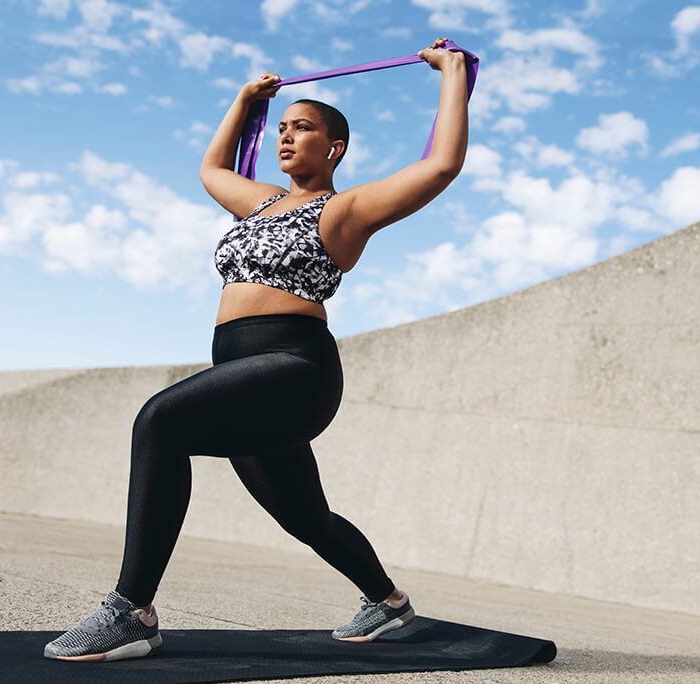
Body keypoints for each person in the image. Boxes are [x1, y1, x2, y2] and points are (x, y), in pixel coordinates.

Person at [44, 37, 468, 662]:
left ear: (335, 147)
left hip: (296, 370)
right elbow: (212, 172)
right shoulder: (264, 203)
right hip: (243, 371)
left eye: (303, 128)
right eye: (283, 128)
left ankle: (131, 610)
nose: (287, 137)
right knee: (305, 517)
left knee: (159, 420)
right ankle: (389, 604)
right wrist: (244, 103)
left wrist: (452, 73)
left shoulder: (344, 209)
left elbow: (440, 166)